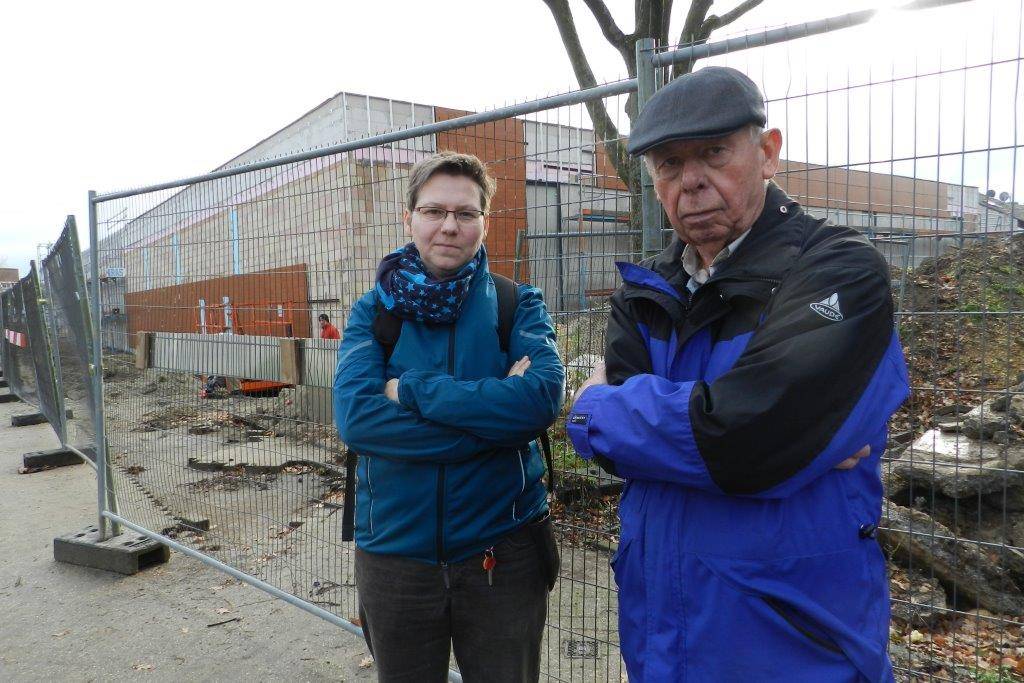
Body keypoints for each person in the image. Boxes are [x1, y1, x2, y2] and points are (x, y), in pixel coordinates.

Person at [566, 66, 910, 682]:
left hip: (793, 642)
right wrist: (772, 437)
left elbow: (744, 440)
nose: (692, 180)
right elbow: (687, 444)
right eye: (670, 164)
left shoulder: (839, 270)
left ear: (768, 153)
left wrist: (594, 411)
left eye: (715, 153)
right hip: (662, 635)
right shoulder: (644, 292)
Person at [334, 151, 565, 682]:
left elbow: (538, 401)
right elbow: (358, 420)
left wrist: (413, 389)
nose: (449, 226)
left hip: (502, 553)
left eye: (465, 213)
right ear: (409, 217)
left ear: (485, 222)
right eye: (434, 211)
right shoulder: (375, 312)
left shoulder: (517, 305)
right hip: (395, 556)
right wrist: (492, 426)